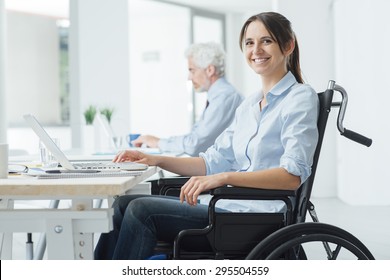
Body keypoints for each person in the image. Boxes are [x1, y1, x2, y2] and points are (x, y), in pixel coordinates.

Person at [94, 11, 319, 260]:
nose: (257, 50)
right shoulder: (249, 106)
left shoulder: (299, 98)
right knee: (122, 205)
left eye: (266, 41)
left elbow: (291, 177)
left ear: (288, 45)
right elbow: (209, 162)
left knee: (140, 210)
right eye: (249, 42)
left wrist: (222, 178)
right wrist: (155, 159)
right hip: (230, 207)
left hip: (256, 218)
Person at [131, 42, 243, 156]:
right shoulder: (219, 96)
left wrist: (157, 142)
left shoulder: (224, 97)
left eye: (192, 70)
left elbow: (194, 144)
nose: (189, 77)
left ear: (210, 70)